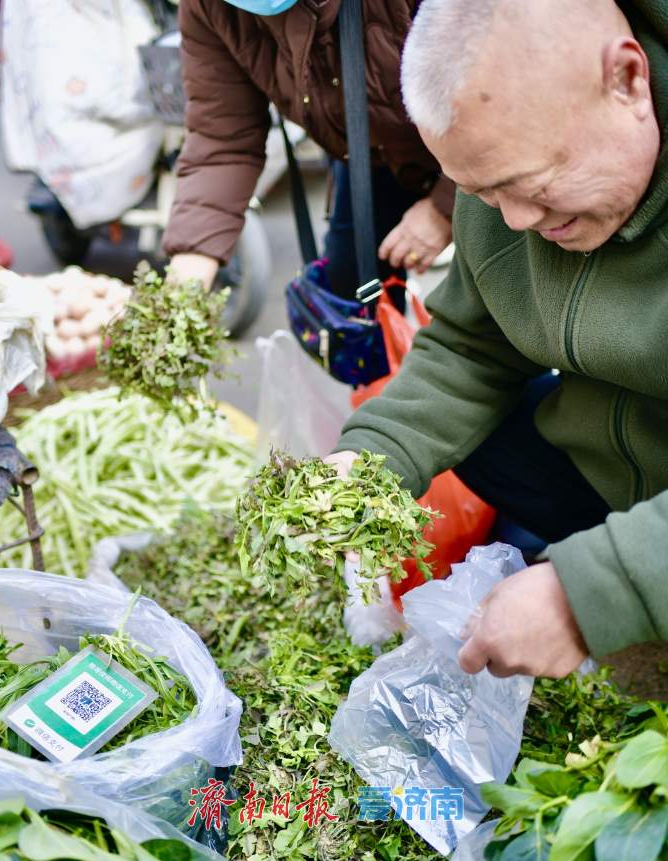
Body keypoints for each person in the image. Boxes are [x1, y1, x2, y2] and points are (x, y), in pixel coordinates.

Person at [329, 0, 668, 680]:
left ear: (628, 81)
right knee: (474, 440)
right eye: (482, 193)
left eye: (528, 184)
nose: (515, 221)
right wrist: (368, 461)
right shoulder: (508, 186)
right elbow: (470, 347)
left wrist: (591, 590)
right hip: (607, 467)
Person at [162, 0, 455, 299]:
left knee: (471, 307)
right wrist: (184, 290)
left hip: (470, 146)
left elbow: (486, 94)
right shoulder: (211, 7)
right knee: (349, 291)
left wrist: (444, 208)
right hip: (369, 152)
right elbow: (222, 140)